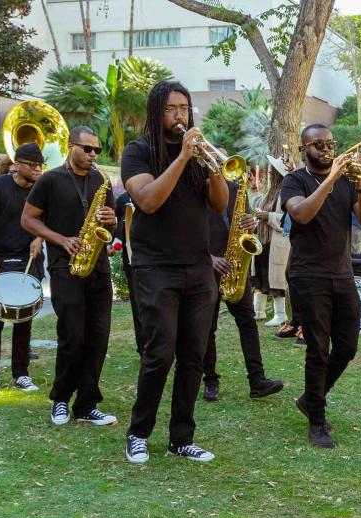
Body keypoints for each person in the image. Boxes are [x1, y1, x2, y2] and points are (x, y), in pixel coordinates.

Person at [120, 80, 229, 464]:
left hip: (198, 269)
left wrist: (214, 167)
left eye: (184, 107)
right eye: (171, 109)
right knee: (159, 352)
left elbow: (219, 204)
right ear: (156, 111)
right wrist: (182, 159)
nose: (179, 115)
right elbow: (147, 201)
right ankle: (138, 432)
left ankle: (181, 437)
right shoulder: (138, 152)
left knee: (193, 356)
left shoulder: (199, 155)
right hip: (156, 268)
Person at [280, 124, 361, 448]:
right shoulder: (295, 181)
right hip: (308, 276)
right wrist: (331, 179)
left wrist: (359, 187)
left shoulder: (348, 181)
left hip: (342, 273)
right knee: (318, 349)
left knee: (346, 347)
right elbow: (301, 215)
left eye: (329, 144)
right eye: (317, 145)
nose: (325, 149)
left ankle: (310, 398)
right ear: (303, 150)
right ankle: (317, 421)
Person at [22, 127, 119, 428]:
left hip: (98, 265)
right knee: (73, 335)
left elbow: (111, 226)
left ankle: (87, 404)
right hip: (66, 266)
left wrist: (112, 222)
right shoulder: (50, 179)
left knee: (98, 336)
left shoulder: (101, 181)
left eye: (96, 150)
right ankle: (61, 399)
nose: (93, 155)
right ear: (70, 146)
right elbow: (27, 219)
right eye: (87, 149)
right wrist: (60, 239)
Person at [201, 148, 284, 403]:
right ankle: (210, 380)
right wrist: (208, 259)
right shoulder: (193, 190)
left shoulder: (238, 190)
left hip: (235, 266)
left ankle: (257, 380)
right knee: (207, 328)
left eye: (223, 160)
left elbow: (246, 221)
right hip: (207, 267)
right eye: (214, 159)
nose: (221, 163)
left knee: (247, 323)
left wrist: (251, 223)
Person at [0, 143, 45, 392]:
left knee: (24, 318)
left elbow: (45, 220)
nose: (37, 169)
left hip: (28, 257)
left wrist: (39, 237)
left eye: (40, 165)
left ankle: (21, 373)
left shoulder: (41, 188)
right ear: (17, 164)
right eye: (32, 165)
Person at [252, 155, 292, 329]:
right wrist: (253, 190)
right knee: (260, 275)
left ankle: (280, 315)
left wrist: (268, 216)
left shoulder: (288, 191)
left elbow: (289, 219)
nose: (270, 172)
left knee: (277, 278)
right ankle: (258, 311)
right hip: (264, 240)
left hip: (278, 242)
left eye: (273, 170)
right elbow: (258, 205)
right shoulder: (273, 190)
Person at [114, 191, 145, 357]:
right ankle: (143, 348)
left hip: (156, 259)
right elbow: (117, 225)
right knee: (138, 306)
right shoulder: (122, 200)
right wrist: (114, 242)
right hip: (132, 261)